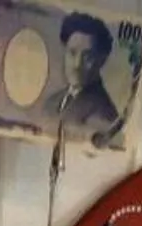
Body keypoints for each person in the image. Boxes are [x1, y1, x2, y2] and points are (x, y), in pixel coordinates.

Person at [39, 13, 126, 143]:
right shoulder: (52, 102)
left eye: (87, 56)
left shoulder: (104, 115)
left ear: (101, 61)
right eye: (72, 53)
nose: (77, 64)